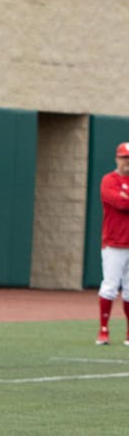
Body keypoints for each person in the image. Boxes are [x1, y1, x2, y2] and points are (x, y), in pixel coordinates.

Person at [95, 142, 129, 346]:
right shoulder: (109, 180)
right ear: (117, 158)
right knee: (109, 286)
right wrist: (124, 199)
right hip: (114, 242)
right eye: (124, 158)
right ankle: (103, 330)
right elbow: (120, 203)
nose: (127, 162)